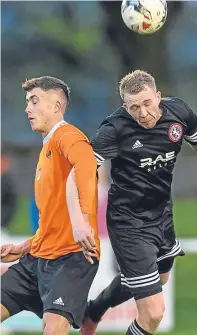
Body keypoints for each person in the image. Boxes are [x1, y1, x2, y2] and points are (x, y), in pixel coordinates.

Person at [68, 70, 197, 335]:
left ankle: (94, 310)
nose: (143, 112)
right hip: (128, 223)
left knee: (160, 277)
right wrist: (79, 219)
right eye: (134, 107)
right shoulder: (114, 129)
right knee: (153, 313)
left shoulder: (179, 113)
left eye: (147, 103)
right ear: (125, 106)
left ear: (158, 96)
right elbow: (78, 175)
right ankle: (94, 313)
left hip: (162, 214)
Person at [0, 76, 100, 335]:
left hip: (72, 257)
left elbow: (87, 165)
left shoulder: (67, 136)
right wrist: (24, 247)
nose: (27, 109)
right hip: (38, 258)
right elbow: (53, 221)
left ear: (56, 106)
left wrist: (83, 220)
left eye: (34, 101)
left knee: (54, 329)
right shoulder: (46, 150)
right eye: (26, 102)